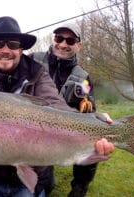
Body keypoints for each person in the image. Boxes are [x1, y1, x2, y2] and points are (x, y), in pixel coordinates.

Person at [0, 16, 114, 197]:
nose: (6, 50)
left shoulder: (39, 76)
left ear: (21, 50)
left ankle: (79, 187)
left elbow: (58, 107)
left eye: (13, 44)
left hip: (31, 179)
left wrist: (91, 121)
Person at [30, 23, 101, 197]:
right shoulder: (32, 60)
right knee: (43, 186)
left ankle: (79, 188)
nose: (63, 44)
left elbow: (89, 107)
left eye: (70, 40)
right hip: (32, 128)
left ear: (79, 45)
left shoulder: (83, 78)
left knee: (91, 145)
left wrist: (87, 107)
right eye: (59, 38)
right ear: (53, 39)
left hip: (65, 130)